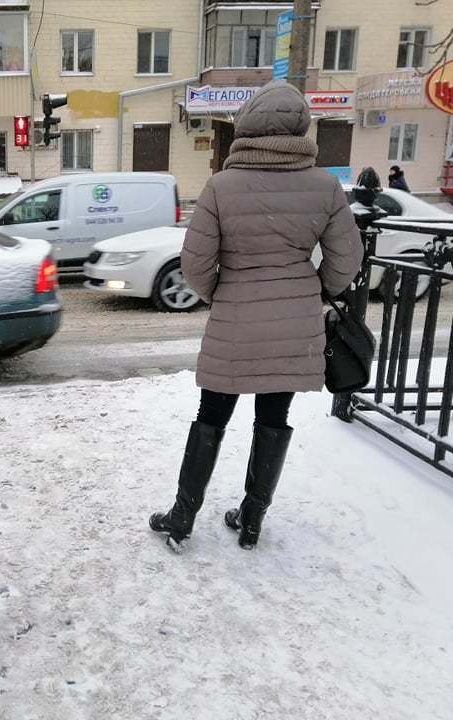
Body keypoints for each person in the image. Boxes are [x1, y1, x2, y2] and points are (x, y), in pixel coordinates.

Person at [149, 81, 363, 551]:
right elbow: (347, 259)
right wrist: (315, 289)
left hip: (234, 320)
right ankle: (251, 519)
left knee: (212, 412)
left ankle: (183, 514)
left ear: (246, 126)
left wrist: (219, 295)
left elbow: (195, 263)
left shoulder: (222, 186)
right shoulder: (324, 186)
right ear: (301, 129)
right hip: (294, 323)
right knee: (274, 414)